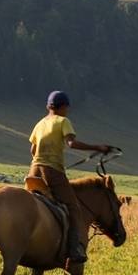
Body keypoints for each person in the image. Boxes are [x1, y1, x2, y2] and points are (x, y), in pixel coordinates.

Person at [28, 90, 114, 265]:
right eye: (67, 107)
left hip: (33, 172)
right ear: (63, 107)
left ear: (48, 106)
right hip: (52, 172)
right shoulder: (63, 121)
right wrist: (98, 147)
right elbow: (71, 143)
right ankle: (74, 248)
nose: (67, 111)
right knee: (74, 207)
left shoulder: (39, 124)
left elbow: (33, 150)